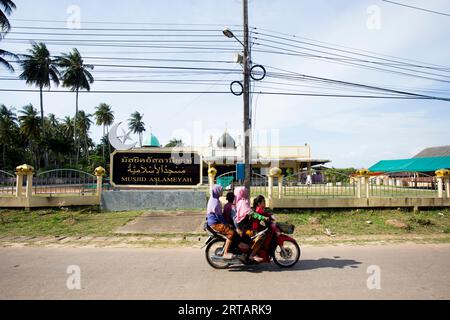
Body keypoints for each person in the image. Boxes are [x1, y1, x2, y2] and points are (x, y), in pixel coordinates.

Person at [234, 187, 269, 263]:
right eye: (245, 192)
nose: (247, 193)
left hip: (242, 227)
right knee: (261, 236)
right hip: (245, 230)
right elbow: (252, 214)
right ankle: (252, 255)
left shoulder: (240, 201)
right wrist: (263, 217)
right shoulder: (243, 203)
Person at [206, 185, 235, 259]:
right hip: (215, 224)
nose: (222, 192)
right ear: (217, 191)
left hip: (213, 222)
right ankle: (225, 253)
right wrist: (227, 224)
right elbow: (219, 216)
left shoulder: (213, 199)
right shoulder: (215, 202)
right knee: (231, 233)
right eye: (221, 190)